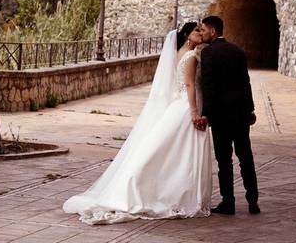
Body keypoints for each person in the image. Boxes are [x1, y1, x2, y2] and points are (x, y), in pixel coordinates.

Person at [62, 22, 212, 225]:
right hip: (186, 107)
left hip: (177, 105)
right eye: (196, 31)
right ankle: (169, 192)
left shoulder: (179, 53)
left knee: (169, 151)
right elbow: (189, 84)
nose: (200, 33)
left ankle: (162, 188)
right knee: (181, 152)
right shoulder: (191, 56)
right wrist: (194, 112)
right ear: (187, 35)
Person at [197, 15, 261, 215]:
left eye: (204, 30)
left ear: (213, 31)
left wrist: (206, 113)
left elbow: (208, 86)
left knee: (224, 161)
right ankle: (253, 201)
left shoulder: (208, 53)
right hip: (241, 114)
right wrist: (250, 109)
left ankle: (228, 202)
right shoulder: (238, 51)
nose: (203, 33)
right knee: (245, 157)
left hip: (221, 116)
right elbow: (246, 83)